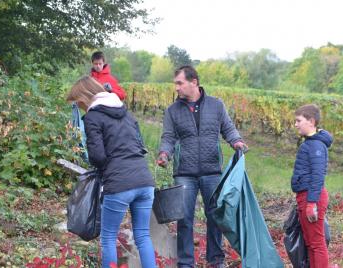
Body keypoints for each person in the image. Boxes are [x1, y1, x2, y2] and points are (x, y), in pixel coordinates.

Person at [157, 65, 248, 268]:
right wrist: (164, 153)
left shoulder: (216, 105)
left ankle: (215, 260)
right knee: (185, 219)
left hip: (212, 170)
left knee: (215, 217)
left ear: (194, 82)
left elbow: (228, 128)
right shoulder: (173, 110)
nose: (176, 88)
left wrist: (237, 142)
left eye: (179, 83)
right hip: (184, 173)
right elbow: (168, 137)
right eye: (176, 84)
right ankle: (186, 263)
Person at [66, 76, 155, 268]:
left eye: (79, 103)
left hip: (119, 183)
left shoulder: (92, 117)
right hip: (145, 181)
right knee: (143, 236)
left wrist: (103, 165)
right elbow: (139, 144)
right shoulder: (126, 113)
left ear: (85, 97)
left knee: (108, 238)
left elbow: (97, 156)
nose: (80, 108)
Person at [291, 104, 333, 268]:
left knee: (316, 244)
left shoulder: (315, 146)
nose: (296, 124)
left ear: (311, 121)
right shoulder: (310, 143)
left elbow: (318, 176)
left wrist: (311, 203)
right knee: (311, 243)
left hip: (311, 196)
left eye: (298, 120)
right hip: (306, 195)